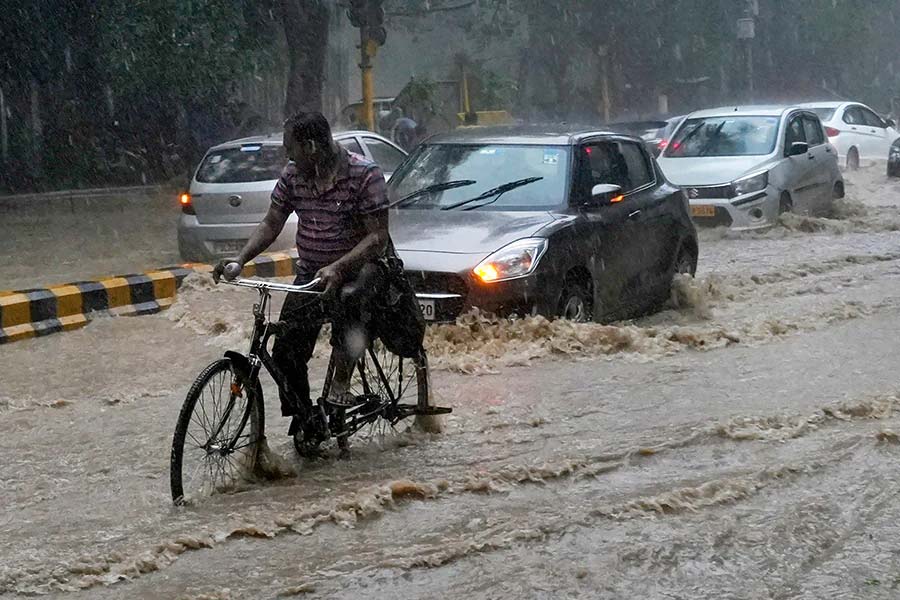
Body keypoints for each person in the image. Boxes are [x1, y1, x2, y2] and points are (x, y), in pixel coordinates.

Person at [213, 111, 421, 438]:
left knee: (351, 301)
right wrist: (239, 260)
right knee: (285, 349)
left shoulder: (364, 175)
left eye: (290, 147)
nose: (287, 155)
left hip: (363, 271)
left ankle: (341, 383)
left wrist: (339, 267)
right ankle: (306, 416)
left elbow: (377, 238)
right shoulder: (294, 176)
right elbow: (271, 223)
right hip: (312, 276)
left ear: (311, 146)